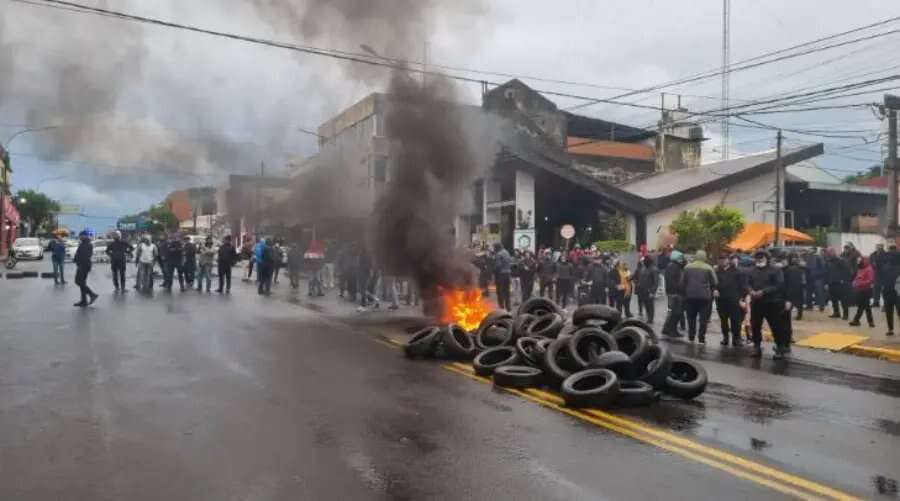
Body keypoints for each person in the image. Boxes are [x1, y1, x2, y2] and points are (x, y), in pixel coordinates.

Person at [747, 250, 787, 359]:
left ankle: (779, 347)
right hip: (756, 302)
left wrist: (763, 292)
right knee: (755, 326)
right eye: (757, 258)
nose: (759, 260)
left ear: (767, 258)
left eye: (761, 258)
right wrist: (750, 290)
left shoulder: (775, 270)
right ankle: (756, 346)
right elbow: (747, 283)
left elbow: (779, 285)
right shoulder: (752, 270)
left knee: (775, 326)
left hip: (772, 302)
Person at [680, 250, 717, 343]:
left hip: (690, 296)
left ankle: (691, 336)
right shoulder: (708, 268)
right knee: (703, 319)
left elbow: (682, 282)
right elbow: (715, 282)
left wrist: (685, 291)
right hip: (704, 297)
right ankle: (701, 338)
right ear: (704, 257)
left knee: (691, 317)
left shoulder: (687, 267)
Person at [715, 254, 745, 347]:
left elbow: (742, 285)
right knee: (723, 320)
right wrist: (714, 289)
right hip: (721, 300)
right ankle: (725, 337)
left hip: (733, 299)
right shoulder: (716, 271)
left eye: (723, 259)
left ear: (728, 260)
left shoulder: (737, 271)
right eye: (720, 259)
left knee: (735, 320)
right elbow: (712, 283)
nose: (721, 261)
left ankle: (736, 338)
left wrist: (741, 298)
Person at [662, 250, 687, 338]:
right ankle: (672, 330)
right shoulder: (674, 267)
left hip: (673, 293)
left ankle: (668, 329)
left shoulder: (673, 266)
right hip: (675, 293)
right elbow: (673, 281)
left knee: (673, 312)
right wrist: (677, 291)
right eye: (681, 257)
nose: (682, 259)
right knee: (675, 313)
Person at [73, 231, 98, 307]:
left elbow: (84, 256)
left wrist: (80, 264)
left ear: (84, 236)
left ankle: (92, 294)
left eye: (81, 236)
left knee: (78, 281)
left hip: (83, 266)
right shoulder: (84, 244)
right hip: (82, 265)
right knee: (82, 283)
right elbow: (78, 254)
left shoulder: (87, 244)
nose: (80, 237)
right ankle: (84, 301)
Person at [849, 256, 876, 328]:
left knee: (862, 306)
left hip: (866, 290)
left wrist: (860, 283)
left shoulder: (869, 269)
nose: (859, 262)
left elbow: (870, 280)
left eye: (860, 261)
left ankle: (856, 320)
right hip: (859, 290)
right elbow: (857, 277)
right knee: (866, 306)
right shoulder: (860, 268)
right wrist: (854, 282)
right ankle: (870, 322)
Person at [825, 247, 851, 320]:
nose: (828, 254)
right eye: (828, 252)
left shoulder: (840, 260)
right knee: (833, 299)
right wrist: (827, 282)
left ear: (833, 252)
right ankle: (836, 312)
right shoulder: (828, 261)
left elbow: (847, 270)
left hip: (840, 282)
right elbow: (827, 272)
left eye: (830, 252)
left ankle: (845, 315)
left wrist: (844, 279)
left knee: (843, 299)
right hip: (831, 282)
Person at [634, 256, 659, 324]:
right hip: (642, 290)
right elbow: (640, 278)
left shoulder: (654, 269)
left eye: (644, 261)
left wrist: (652, 292)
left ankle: (651, 318)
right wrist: (638, 284)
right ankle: (648, 317)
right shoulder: (643, 268)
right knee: (646, 305)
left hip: (649, 291)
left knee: (650, 305)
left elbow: (656, 283)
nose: (643, 262)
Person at [881, 249, 900, 336]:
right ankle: (890, 329)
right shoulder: (886, 266)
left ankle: (890, 329)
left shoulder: (886, 267)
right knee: (895, 311)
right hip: (894, 292)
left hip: (889, 291)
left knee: (889, 311)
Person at [784, 253, 806, 321]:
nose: (794, 259)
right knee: (791, 301)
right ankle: (789, 314)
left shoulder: (800, 267)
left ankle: (799, 315)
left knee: (798, 302)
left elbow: (805, 274)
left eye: (795, 257)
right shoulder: (786, 268)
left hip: (797, 286)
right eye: (792, 257)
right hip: (791, 286)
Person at [492, 242, 513, 312]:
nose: (493, 249)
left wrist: (493, 270)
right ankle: (508, 308)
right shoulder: (507, 253)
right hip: (508, 274)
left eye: (494, 247)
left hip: (501, 275)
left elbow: (498, 266)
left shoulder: (498, 254)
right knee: (507, 292)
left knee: (500, 292)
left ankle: (501, 308)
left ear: (496, 247)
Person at [805, 247, 826, 312]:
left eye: (811, 249)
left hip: (818, 279)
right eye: (809, 249)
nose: (809, 250)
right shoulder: (808, 258)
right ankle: (809, 306)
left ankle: (821, 307)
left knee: (819, 293)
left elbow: (823, 268)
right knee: (809, 293)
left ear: (814, 251)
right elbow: (808, 267)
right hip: (810, 279)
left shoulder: (818, 258)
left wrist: (816, 274)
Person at [870, 243, 887, 308]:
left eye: (880, 247)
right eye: (877, 247)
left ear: (882, 247)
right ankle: (876, 302)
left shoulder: (885, 254)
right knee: (876, 288)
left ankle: (885, 303)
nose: (879, 248)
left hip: (884, 274)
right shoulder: (873, 254)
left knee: (884, 289)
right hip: (876, 273)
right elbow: (871, 262)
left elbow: (886, 263)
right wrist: (873, 265)